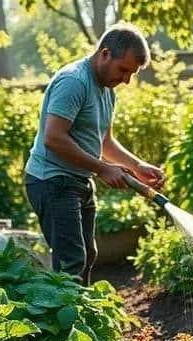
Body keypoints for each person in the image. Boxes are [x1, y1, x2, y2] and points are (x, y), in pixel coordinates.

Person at [25, 22, 165, 285]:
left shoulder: (107, 90)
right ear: (105, 54)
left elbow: (105, 142)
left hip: (78, 180)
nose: (126, 79)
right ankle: (65, 323)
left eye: (132, 74)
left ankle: (82, 317)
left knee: (88, 255)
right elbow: (53, 138)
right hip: (52, 180)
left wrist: (137, 166)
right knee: (72, 260)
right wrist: (102, 168)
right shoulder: (74, 82)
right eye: (123, 70)